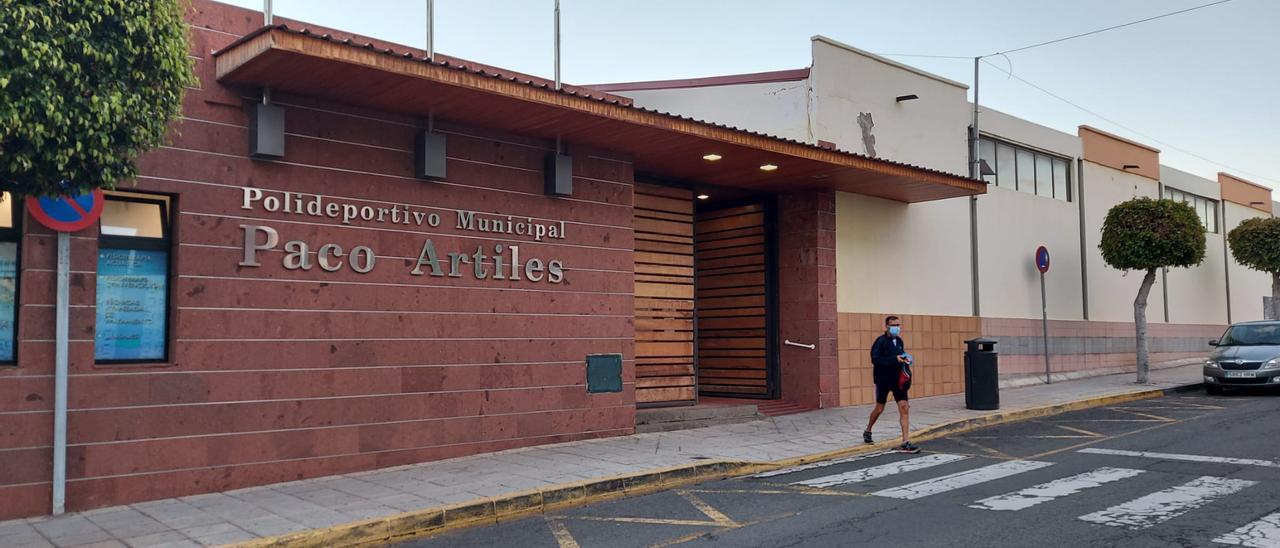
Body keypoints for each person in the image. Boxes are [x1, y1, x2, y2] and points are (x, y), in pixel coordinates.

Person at [863, 315, 918, 453]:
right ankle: (868, 429)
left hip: (898, 380)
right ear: (886, 326)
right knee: (880, 408)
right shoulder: (880, 342)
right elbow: (876, 360)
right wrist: (895, 359)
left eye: (898, 325)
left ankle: (905, 441)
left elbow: (900, 355)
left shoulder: (899, 341)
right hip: (883, 380)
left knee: (904, 407)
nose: (896, 328)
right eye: (893, 325)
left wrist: (906, 358)